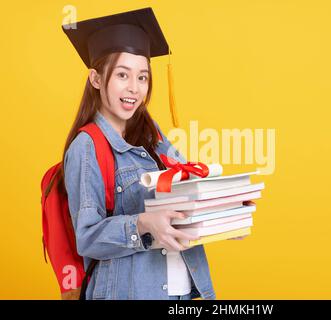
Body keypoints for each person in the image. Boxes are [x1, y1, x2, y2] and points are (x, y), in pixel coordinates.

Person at [60, 7, 217, 300]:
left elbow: (185, 190)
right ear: (95, 79)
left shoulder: (152, 134)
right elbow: (87, 237)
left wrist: (225, 210)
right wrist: (142, 224)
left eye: (142, 77)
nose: (134, 88)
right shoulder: (87, 146)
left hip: (184, 292)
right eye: (122, 74)